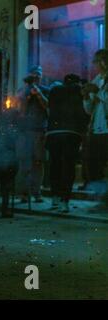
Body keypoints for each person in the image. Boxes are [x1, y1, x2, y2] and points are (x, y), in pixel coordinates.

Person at [46, 74, 89, 213]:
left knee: (55, 165)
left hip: (53, 132)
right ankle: (65, 201)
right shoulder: (79, 91)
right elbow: (84, 112)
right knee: (68, 167)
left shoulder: (54, 91)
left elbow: (48, 110)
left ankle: (55, 199)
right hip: (72, 133)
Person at [16, 66, 49, 203]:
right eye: (33, 75)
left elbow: (47, 106)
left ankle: (37, 191)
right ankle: (24, 192)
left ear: (41, 77)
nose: (36, 78)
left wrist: (38, 93)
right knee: (25, 162)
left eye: (38, 75)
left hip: (39, 130)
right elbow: (20, 110)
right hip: (25, 131)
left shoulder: (46, 90)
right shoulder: (22, 90)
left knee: (38, 162)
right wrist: (26, 95)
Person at [82, 49, 108, 185]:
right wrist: (86, 97)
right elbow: (89, 110)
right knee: (94, 166)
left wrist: (97, 92)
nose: (94, 65)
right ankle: (101, 197)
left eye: (96, 62)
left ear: (103, 62)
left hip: (106, 130)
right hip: (96, 130)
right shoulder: (97, 80)